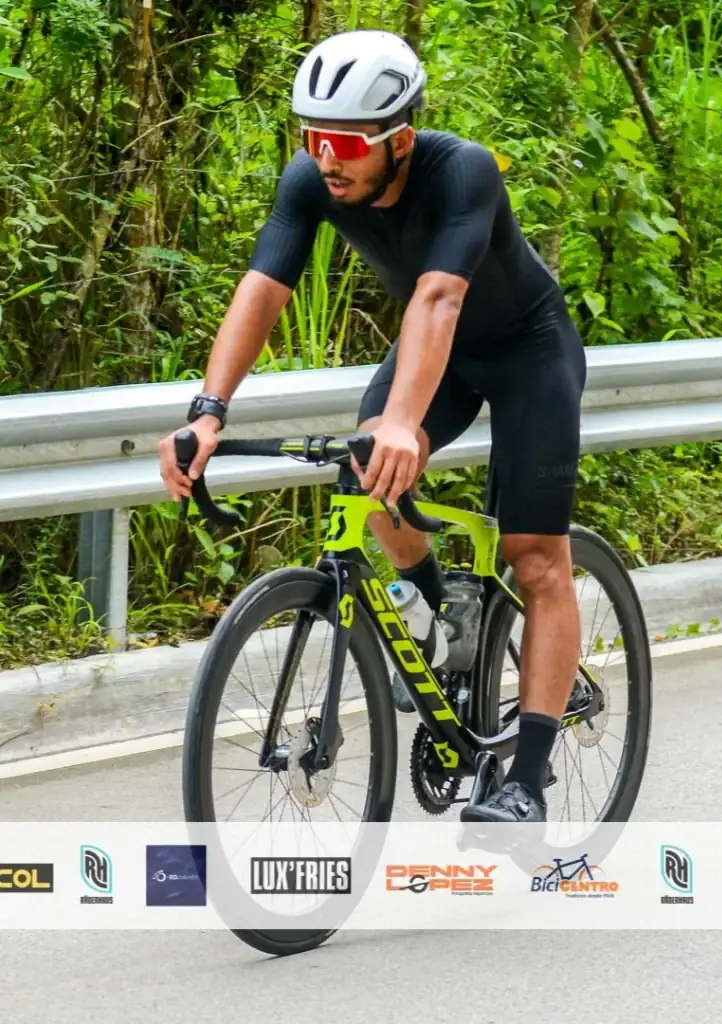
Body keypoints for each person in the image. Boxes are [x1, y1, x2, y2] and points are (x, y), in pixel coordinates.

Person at [159, 29, 587, 825]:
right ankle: (440, 609)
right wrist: (208, 411)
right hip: (440, 358)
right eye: (314, 138)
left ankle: (526, 778)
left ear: (400, 137)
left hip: (526, 352)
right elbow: (263, 285)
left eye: (348, 142)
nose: (328, 158)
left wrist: (400, 421)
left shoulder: (463, 169)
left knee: (534, 560)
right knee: (371, 472)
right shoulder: (311, 180)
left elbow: (438, 299)